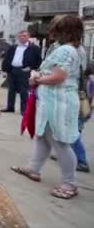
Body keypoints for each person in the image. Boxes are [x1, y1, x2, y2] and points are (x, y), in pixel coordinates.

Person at [11, 15, 84, 200]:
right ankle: (34, 168)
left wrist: (37, 79)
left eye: (55, 29)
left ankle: (70, 183)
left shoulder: (66, 50)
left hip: (59, 102)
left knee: (60, 142)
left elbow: (59, 77)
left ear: (64, 31)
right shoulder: (67, 48)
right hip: (53, 100)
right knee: (42, 136)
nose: (51, 32)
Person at [1, 30, 42, 115]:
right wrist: (5, 69)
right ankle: (10, 107)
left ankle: (24, 109)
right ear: (18, 37)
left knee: (23, 90)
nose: (22, 37)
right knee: (11, 89)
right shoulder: (13, 47)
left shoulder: (34, 48)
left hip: (24, 71)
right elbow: (7, 58)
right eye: (20, 36)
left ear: (28, 37)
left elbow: (38, 60)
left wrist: (31, 68)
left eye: (24, 35)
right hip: (12, 70)